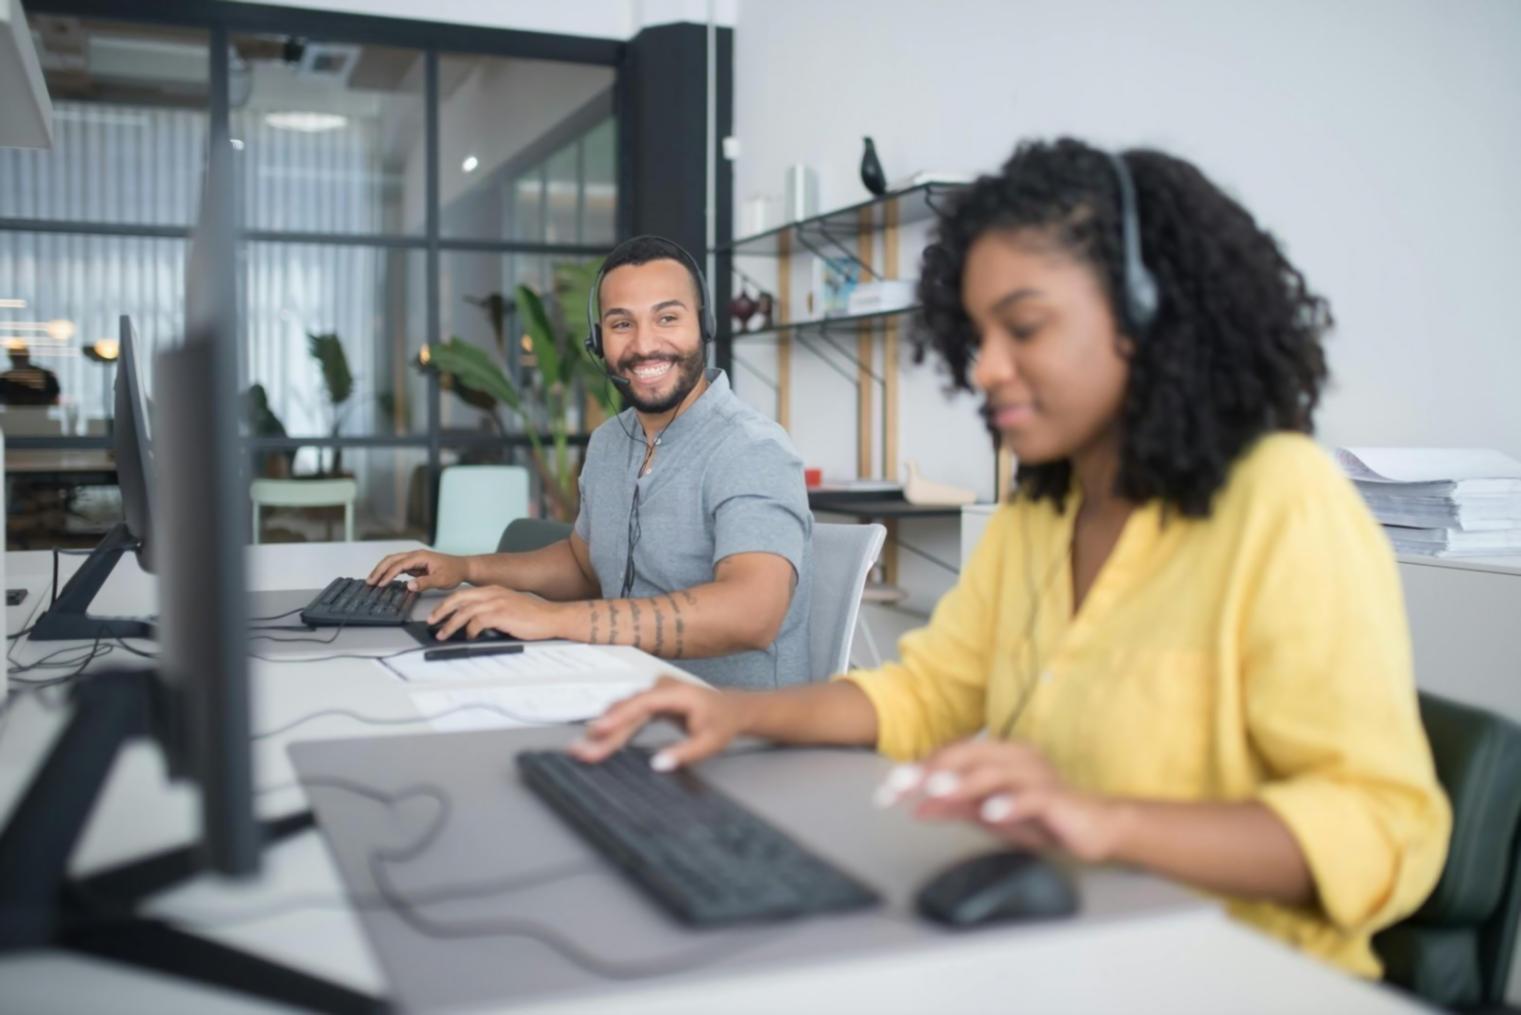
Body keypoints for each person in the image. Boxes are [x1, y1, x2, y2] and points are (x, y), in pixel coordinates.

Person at [570, 140, 1450, 976]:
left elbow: (1383, 829)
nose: (984, 369)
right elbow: (928, 694)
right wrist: (736, 717)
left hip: (1234, 970)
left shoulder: (1280, 502)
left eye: (1022, 329)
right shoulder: (1046, 508)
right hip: (1064, 939)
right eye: (977, 334)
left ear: (1144, 315)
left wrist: (1106, 822)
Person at [369, 235, 813, 689]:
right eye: (622, 324)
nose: (644, 344)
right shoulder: (609, 443)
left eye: (667, 318)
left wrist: (555, 619)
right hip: (621, 692)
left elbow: (752, 613)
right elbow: (582, 567)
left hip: (735, 726)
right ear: (599, 340)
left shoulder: (751, 448)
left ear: (704, 325)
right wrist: (466, 569)